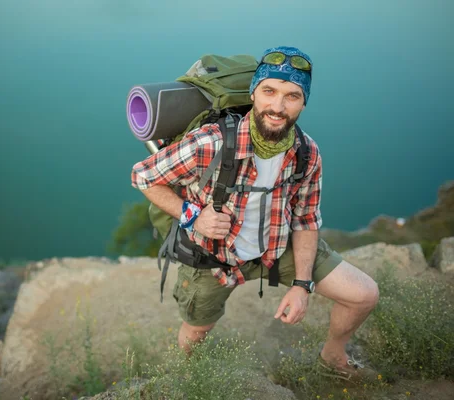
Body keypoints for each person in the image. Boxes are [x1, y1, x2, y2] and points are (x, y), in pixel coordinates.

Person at [130, 46, 379, 382]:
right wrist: (192, 215)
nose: (278, 106)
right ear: (253, 94)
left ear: (304, 102)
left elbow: (305, 219)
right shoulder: (211, 143)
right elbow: (143, 176)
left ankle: (333, 356)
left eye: (292, 95)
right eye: (269, 92)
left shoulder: (306, 152)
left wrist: (302, 285)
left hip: (276, 249)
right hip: (212, 257)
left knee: (363, 294)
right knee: (195, 333)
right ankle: (193, 380)